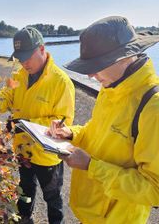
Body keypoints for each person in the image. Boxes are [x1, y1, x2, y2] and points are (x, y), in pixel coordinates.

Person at [48, 16, 159, 223]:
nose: (90, 75)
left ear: (126, 56)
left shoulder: (153, 106)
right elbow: (97, 130)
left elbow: (154, 189)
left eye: (97, 65)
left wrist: (91, 166)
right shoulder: (111, 86)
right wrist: (72, 133)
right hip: (91, 212)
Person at [0, 27, 75, 223]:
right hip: (23, 149)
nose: (24, 63)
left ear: (41, 49)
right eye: (20, 58)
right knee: (25, 189)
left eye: (27, 57)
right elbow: (7, 96)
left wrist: (24, 124)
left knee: (52, 196)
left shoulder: (61, 82)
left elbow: (64, 121)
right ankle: (24, 219)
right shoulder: (18, 75)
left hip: (47, 154)